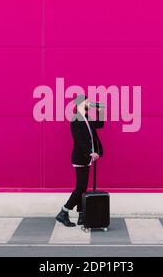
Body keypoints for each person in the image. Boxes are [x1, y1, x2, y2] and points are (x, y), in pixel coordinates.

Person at [55, 94, 104, 227]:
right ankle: (63, 212)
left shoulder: (86, 118)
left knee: (82, 188)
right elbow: (80, 141)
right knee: (80, 188)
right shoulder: (75, 120)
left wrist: (101, 112)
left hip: (86, 158)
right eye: (88, 101)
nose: (90, 103)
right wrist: (90, 153)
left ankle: (81, 216)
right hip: (81, 157)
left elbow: (100, 125)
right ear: (81, 103)